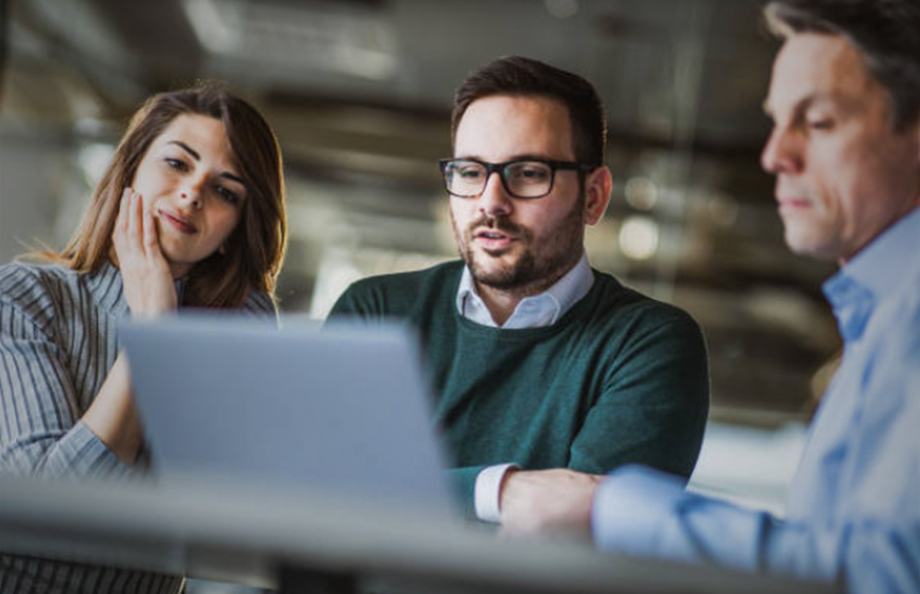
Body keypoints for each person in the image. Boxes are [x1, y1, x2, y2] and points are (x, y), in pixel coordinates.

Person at [501, 1, 920, 593]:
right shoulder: (877, 321)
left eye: (819, 122)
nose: (776, 155)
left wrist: (613, 509)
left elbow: (884, 578)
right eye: (777, 121)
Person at [329, 56, 710, 526]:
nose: (491, 202)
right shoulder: (376, 312)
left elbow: (584, 534)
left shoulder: (647, 344)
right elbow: (323, 488)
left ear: (593, 197)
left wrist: (403, 493)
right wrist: (505, 492)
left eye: (528, 173)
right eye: (470, 171)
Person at [0, 84, 287, 594]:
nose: (193, 192)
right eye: (178, 163)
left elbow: (224, 529)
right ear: (130, 166)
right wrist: (153, 329)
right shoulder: (24, 297)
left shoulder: (239, 331)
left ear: (236, 229)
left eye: (226, 191)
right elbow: (49, 514)